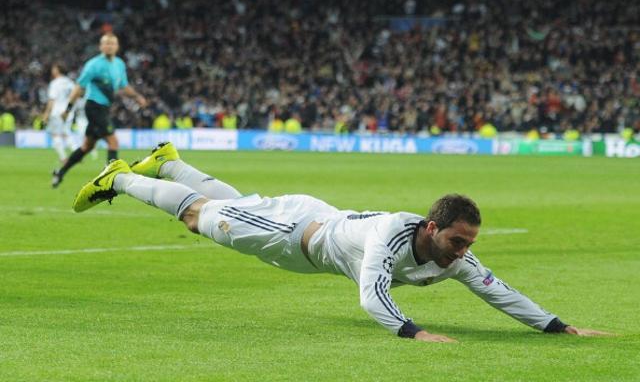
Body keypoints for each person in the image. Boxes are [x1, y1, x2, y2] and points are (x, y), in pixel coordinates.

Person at [72, 142, 610, 342]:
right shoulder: (390, 234)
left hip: (311, 227)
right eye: (457, 240)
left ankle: (170, 161)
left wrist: (558, 326)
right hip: (289, 234)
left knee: (232, 203)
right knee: (198, 217)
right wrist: (412, 333)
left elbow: (498, 290)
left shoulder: (452, 258)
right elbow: (371, 295)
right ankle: (117, 177)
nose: (463, 251)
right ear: (430, 226)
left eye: (468, 243)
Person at [52, 33, 147, 188]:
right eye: (106, 43)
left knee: (87, 146)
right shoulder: (93, 65)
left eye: (112, 43)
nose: (109, 46)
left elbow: (123, 86)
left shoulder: (119, 64)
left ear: (117, 46)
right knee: (113, 142)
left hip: (104, 108)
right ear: (101, 46)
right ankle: (112, 181)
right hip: (94, 106)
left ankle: (60, 172)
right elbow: (79, 86)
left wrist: (137, 97)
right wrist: (68, 108)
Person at [41, 63, 77, 162]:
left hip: (57, 111)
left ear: (57, 70)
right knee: (66, 132)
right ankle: (77, 153)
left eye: (54, 68)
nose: (52, 71)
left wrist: (46, 115)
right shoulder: (70, 82)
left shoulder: (55, 83)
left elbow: (52, 100)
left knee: (55, 134)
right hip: (68, 111)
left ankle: (63, 157)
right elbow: (75, 96)